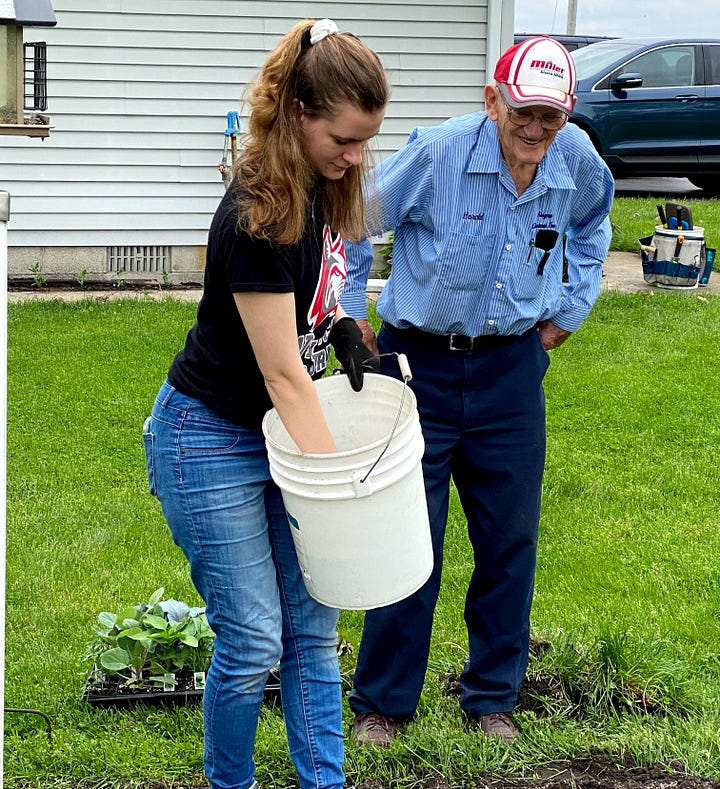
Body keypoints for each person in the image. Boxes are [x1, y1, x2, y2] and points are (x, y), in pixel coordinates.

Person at [340, 35, 614, 746]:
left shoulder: (576, 158)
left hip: (510, 371)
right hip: (419, 365)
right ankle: (383, 704)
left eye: (548, 118)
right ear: (493, 100)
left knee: (508, 539)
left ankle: (493, 696)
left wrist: (565, 316)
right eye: (522, 111)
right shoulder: (438, 154)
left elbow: (592, 227)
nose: (533, 130)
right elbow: (352, 222)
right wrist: (351, 311)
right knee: (408, 539)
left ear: (567, 114)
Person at [142, 19, 388, 789]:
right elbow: (283, 374)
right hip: (209, 437)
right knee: (252, 638)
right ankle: (230, 782)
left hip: (282, 432)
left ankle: (325, 783)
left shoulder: (323, 190)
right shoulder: (256, 211)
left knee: (312, 632)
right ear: (299, 116)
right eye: (344, 140)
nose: (356, 158)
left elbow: (313, 298)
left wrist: (342, 320)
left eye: (364, 142)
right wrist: (339, 484)